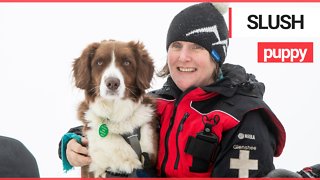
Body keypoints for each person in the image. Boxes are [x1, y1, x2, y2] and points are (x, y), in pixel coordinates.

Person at [58, 2, 317, 178]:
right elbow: (111, 123)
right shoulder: (160, 102)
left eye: (196, 47)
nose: (183, 57)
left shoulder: (245, 119)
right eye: (176, 45)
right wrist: (72, 143)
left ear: (217, 55)